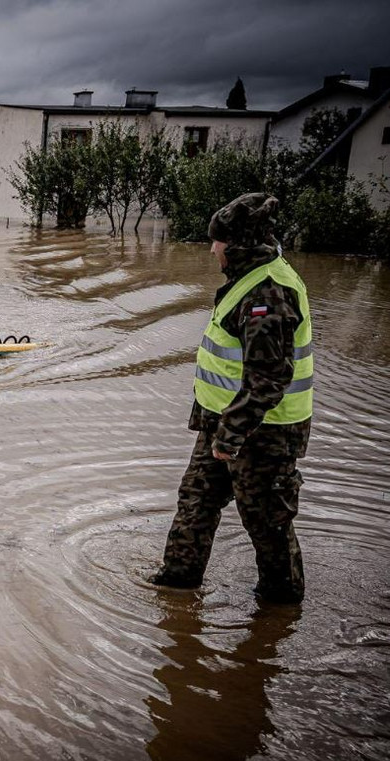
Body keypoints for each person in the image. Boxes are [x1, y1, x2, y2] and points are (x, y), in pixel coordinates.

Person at [150, 193, 312, 604]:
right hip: (223, 424)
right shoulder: (248, 278)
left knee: (267, 523)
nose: (212, 250)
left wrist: (230, 437)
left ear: (238, 245)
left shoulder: (268, 295)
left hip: (263, 433)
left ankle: (279, 612)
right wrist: (220, 431)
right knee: (196, 502)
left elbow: (271, 379)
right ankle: (176, 588)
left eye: (218, 242)